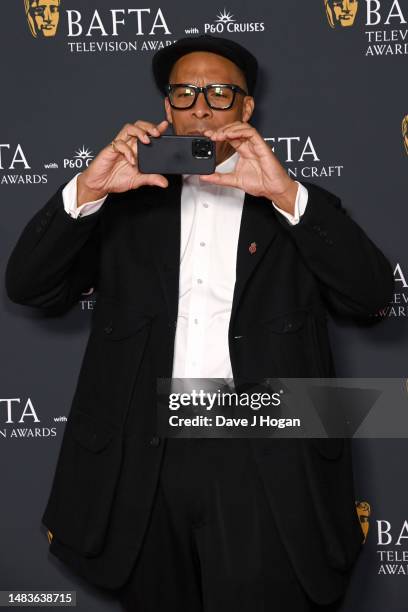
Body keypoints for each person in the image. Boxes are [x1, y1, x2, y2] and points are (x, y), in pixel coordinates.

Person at [5, 34, 394, 612]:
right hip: (143, 457)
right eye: (184, 93)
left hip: (264, 454)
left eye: (218, 92)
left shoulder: (299, 206)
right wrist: (88, 189)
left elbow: (371, 296)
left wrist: (287, 194)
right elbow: (28, 286)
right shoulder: (124, 207)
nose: (201, 105)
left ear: (246, 108)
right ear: (168, 109)